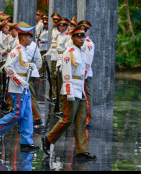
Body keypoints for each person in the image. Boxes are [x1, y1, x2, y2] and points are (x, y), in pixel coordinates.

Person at [41, 25, 96, 160]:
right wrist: (69, 92)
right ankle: (48, 139)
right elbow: (66, 74)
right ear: (72, 38)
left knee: (81, 120)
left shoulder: (81, 53)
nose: (81, 39)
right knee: (67, 119)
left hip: (80, 89)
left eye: (83, 36)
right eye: (78, 36)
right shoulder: (68, 53)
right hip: (71, 90)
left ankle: (82, 150)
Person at [0, 22, 40, 153]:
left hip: (25, 86)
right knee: (18, 113)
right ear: (22, 37)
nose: (31, 39)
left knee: (27, 114)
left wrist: (31, 68)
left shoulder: (24, 50)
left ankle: (27, 141)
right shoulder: (16, 51)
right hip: (17, 87)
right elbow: (8, 67)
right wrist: (20, 81)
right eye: (29, 37)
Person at [79, 20, 95, 129]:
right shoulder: (80, 41)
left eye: (85, 29)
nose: (83, 32)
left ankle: (88, 119)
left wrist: (84, 74)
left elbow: (88, 61)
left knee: (87, 97)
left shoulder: (88, 43)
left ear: (88, 31)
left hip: (85, 74)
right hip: (78, 73)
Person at [44, 12, 61, 102]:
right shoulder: (54, 30)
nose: (54, 22)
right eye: (53, 20)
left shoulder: (60, 32)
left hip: (58, 55)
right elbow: (52, 44)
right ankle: (54, 94)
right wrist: (48, 53)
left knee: (55, 76)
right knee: (52, 76)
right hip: (53, 54)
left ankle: (55, 95)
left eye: (55, 20)